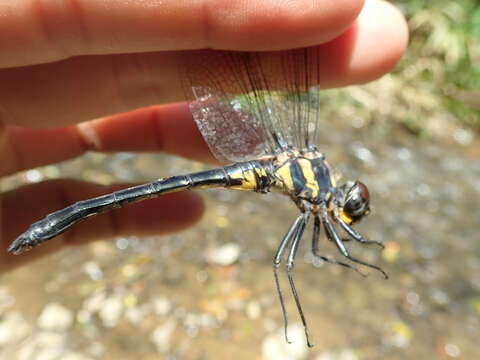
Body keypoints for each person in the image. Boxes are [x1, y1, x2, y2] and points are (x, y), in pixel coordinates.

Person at [0, 0, 408, 272]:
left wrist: (364, 252)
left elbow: (326, 247)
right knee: (286, 264)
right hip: (273, 166)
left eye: (354, 205)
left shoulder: (316, 200)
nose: (352, 210)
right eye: (354, 204)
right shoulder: (318, 196)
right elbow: (329, 246)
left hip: (272, 165)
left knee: (290, 261)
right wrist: (365, 251)